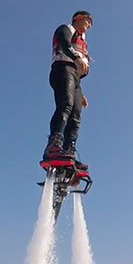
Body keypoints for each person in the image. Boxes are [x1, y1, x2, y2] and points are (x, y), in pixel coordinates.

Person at [42, 10, 93, 170]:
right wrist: (76, 58)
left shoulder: (83, 42)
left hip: (75, 78)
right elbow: (63, 42)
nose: (89, 25)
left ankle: (68, 150)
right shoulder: (67, 29)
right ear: (78, 18)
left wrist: (81, 93)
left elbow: (78, 72)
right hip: (62, 68)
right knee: (66, 105)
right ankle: (54, 145)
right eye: (87, 21)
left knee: (76, 115)